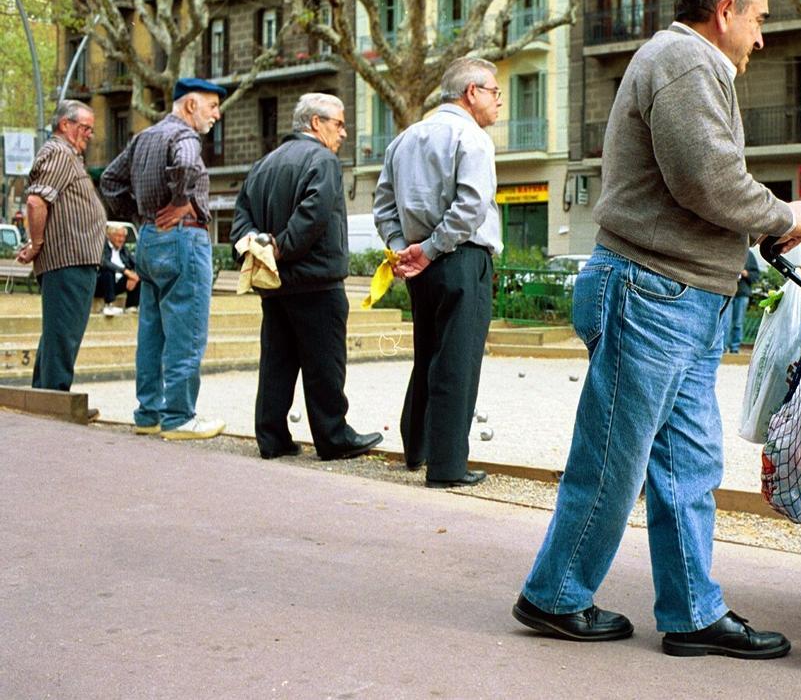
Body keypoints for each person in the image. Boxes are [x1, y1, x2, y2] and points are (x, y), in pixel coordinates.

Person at [512, 0, 801, 658]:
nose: (762, 38)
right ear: (725, 11)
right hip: (651, 292)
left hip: (674, 293)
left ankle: (691, 613)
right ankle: (554, 594)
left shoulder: (685, 62)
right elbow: (707, 179)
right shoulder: (686, 61)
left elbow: (697, 184)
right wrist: (782, 216)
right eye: (760, 19)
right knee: (616, 458)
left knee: (688, 464)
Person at [231, 94, 383, 462]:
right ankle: (333, 438)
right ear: (316, 122)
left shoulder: (263, 164)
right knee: (325, 364)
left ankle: (272, 437)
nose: (343, 133)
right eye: (339, 123)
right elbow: (313, 214)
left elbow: (241, 219)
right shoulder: (323, 160)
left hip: (275, 284)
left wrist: (263, 248)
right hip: (316, 280)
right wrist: (281, 247)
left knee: (277, 363)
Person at [373, 57, 502, 488]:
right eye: (494, 92)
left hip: (419, 262)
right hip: (460, 257)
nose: (498, 102)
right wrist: (427, 250)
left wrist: (401, 250)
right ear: (471, 92)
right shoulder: (474, 138)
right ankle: (447, 465)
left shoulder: (404, 139)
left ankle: (418, 449)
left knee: (427, 352)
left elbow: (383, 206)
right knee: (458, 361)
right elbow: (470, 207)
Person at [100, 78, 227, 440]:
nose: (217, 114)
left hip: (150, 241)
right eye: (212, 106)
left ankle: (149, 414)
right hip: (184, 237)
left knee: (152, 331)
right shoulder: (185, 136)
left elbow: (110, 179)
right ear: (190, 106)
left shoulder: (143, 137)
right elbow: (186, 166)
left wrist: (144, 215)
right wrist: (178, 202)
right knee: (186, 331)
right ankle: (179, 417)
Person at [16, 100, 106, 392]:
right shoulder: (59, 152)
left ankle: (46, 397)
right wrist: (36, 242)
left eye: (91, 129)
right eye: (84, 127)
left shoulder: (66, 155)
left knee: (58, 333)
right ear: (65, 125)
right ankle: (56, 399)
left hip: (72, 260)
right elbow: (36, 200)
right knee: (63, 334)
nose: (89, 134)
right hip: (68, 260)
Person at [96, 223, 140, 316]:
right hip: (102, 284)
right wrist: (125, 271)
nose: (121, 239)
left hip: (117, 285)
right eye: (118, 236)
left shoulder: (124, 250)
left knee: (136, 276)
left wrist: (134, 275)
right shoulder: (101, 247)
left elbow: (136, 264)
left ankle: (131, 306)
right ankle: (109, 305)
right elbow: (103, 263)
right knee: (108, 271)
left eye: (123, 237)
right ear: (110, 235)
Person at [723, 249, 759, 353]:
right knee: (725, 322)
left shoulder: (749, 255)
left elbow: (755, 276)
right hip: (728, 292)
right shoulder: (728, 252)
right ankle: (723, 348)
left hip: (742, 294)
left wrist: (746, 273)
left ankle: (735, 349)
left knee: (738, 323)